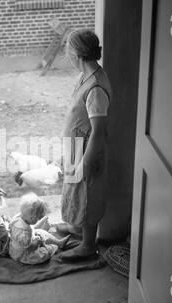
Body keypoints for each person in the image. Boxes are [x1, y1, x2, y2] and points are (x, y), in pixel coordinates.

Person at [58, 29, 112, 260]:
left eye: (68, 51)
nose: (67, 55)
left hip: (87, 152)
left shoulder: (96, 88)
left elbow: (98, 130)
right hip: (76, 148)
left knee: (87, 194)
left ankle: (89, 245)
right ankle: (79, 229)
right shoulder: (86, 76)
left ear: (76, 54)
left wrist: (87, 162)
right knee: (77, 193)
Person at [9, 193, 70, 265]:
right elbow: (30, 247)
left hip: (14, 249)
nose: (37, 221)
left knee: (41, 232)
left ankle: (59, 242)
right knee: (44, 253)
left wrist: (41, 224)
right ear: (32, 218)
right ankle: (54, 247)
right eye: (37, 219)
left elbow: (32, 229)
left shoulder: (17, 218)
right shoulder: (24, 234)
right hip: (24, 255)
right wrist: (37, 241)